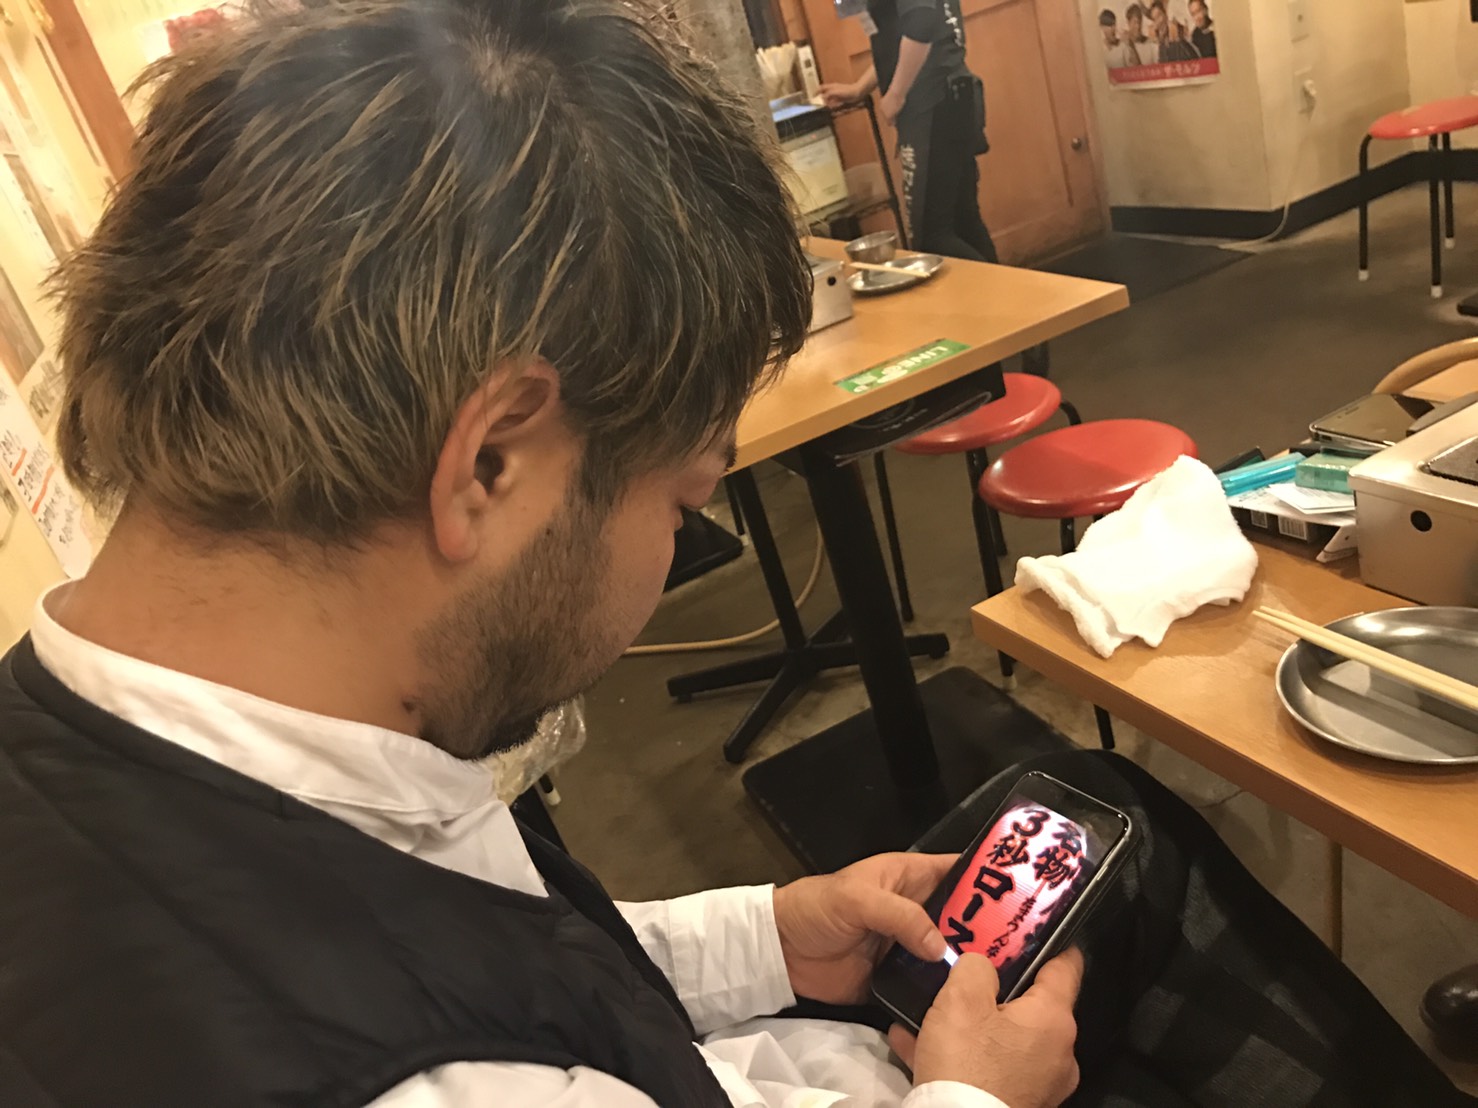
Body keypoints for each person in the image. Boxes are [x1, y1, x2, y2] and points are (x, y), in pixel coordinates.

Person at [0, 1, 1472, 1106]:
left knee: (1087, 817)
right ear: (490, 463)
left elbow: (495, 939)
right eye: (683, 494)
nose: (674, 547)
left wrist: (764, 935)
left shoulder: (156, 745)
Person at [818, 0, 998, 263]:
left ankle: (1014, 290)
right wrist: (860, 88)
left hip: (933, 105)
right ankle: (1011, 291)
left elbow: (921, 26)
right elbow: (905, 39)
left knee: (933, 238)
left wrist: (896, 94)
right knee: (963, 222)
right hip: (951, 95)